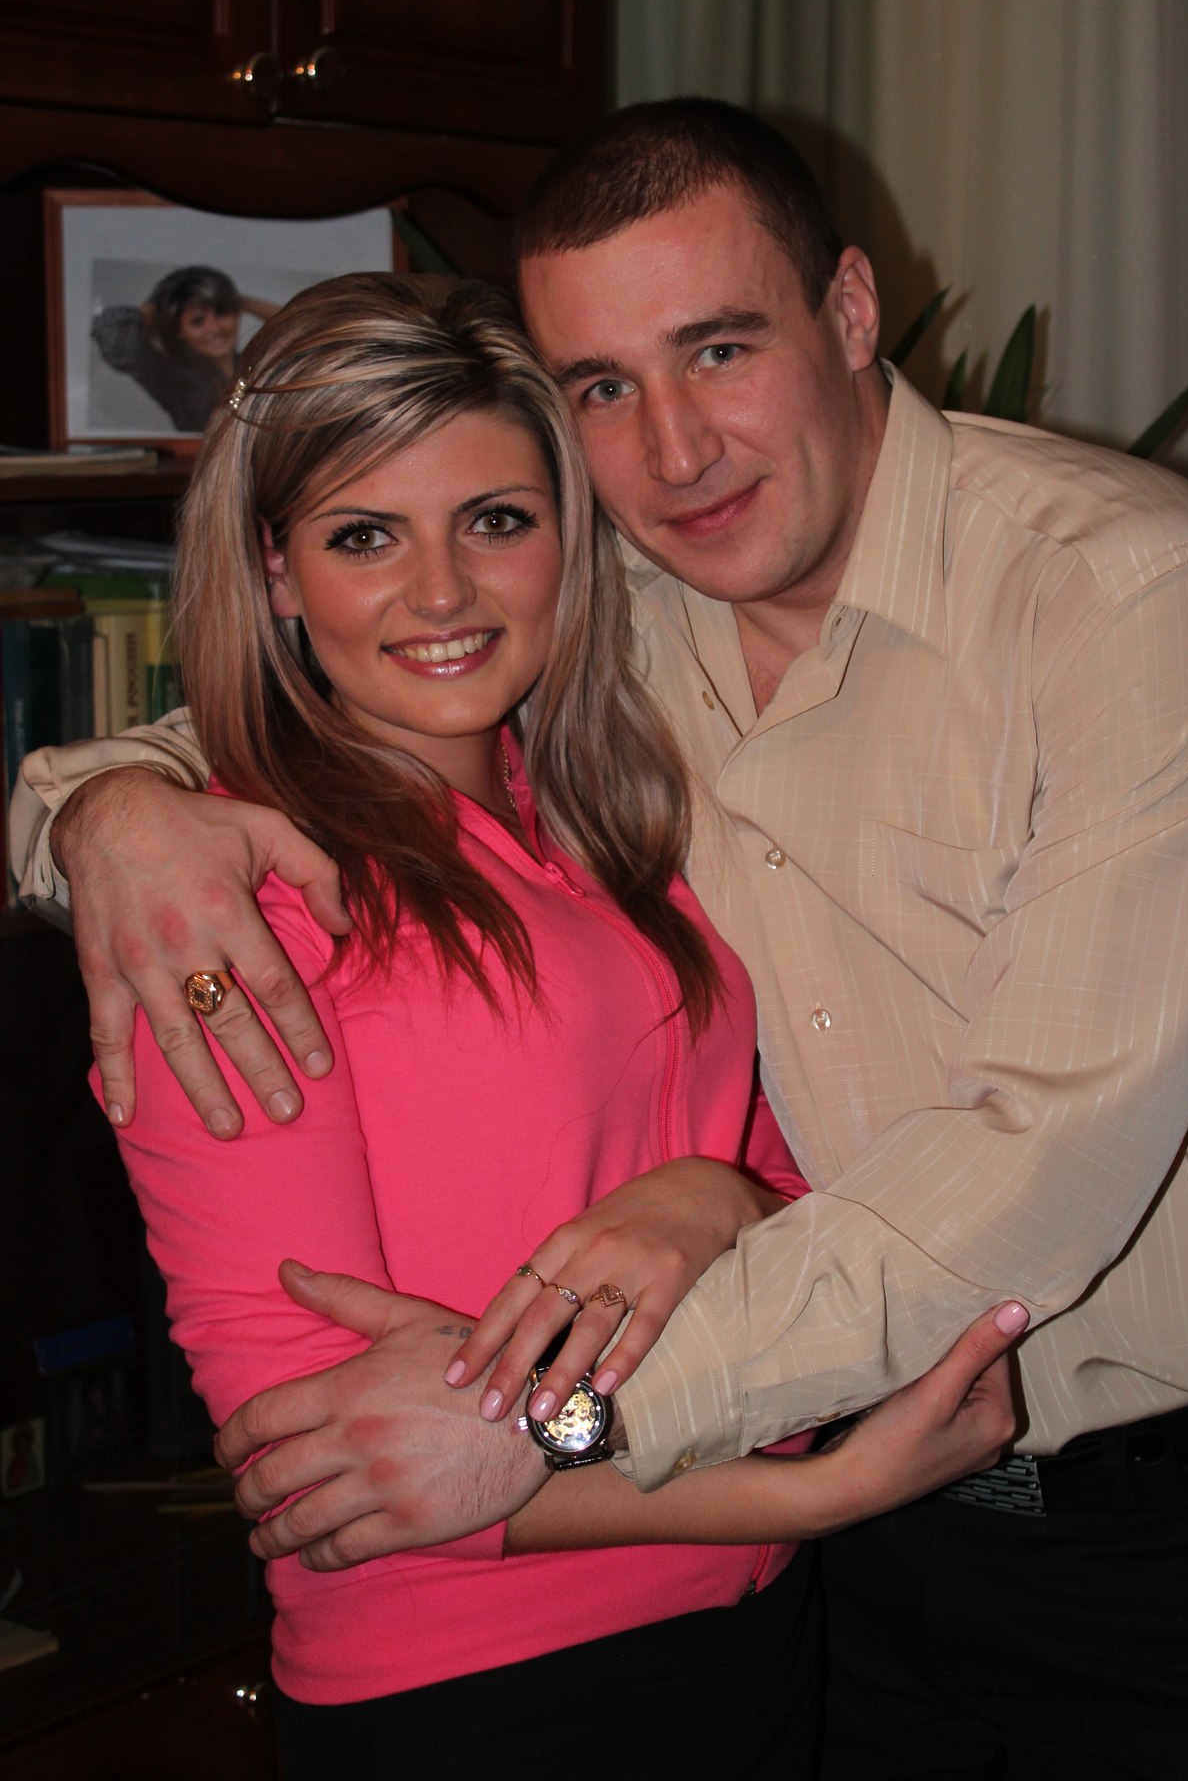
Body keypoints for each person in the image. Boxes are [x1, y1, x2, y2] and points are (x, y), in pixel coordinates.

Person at [14, 100, 1188, 1776]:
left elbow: (1041, 1162)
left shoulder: (1133, 607)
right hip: (820, 1557)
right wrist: (99, 812)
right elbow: (307, 708)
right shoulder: (626, 613)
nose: (674, 450)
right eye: (601, 387)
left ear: (849, 311)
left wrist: (569, 1414)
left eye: (719, 349)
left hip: (1180, 1550)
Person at [75, 268, 1021, 1777]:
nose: (442, 593)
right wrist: (812, 1494)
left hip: (748, 1635)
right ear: (273, 571)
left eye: (497, 520)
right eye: (364, 535)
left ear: (570, 542)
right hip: (482, 1686)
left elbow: (781, 1169)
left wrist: (711, 1197)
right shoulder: (226, 912)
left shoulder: (601, 824)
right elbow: (304, 1440)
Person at [92, 265, 277, 433]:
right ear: (180, 331)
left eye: (222, 312)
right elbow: (110, 331)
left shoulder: (252, 364)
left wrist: (241, 301)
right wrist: (163, 304)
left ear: (236, 315)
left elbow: (294, 328)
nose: (214, 328)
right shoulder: (172, 375)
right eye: (197, 321)